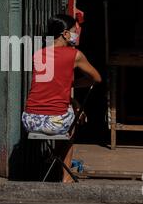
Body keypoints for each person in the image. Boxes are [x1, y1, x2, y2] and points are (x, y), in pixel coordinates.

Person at [22, 14, 102, 183]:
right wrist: (73, 86)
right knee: (70, 124)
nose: (76, 34)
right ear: (65, 34)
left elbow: (50, 86)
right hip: (55, 123)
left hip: (29, 120)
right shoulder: (74, 55)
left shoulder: (38, 54)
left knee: (66, 110)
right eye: (74, 31)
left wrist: (68, 87)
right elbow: (96, 78)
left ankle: (55, 165)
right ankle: (65, 177)